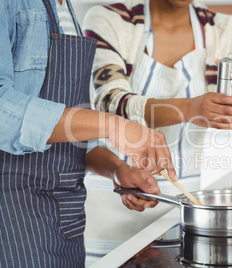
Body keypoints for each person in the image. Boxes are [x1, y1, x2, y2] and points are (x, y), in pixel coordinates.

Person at [0, 0, 177, 267]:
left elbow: (73, 124)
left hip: (64, 219)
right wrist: (112, 124)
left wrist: (117, 170)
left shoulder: (66, 9)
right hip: (14, 216)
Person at [83, 0, 232, 203]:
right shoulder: (109, 19)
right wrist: (188, 109)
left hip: (184, 197)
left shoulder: (226, 30)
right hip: (114, 191)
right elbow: (109, 102)